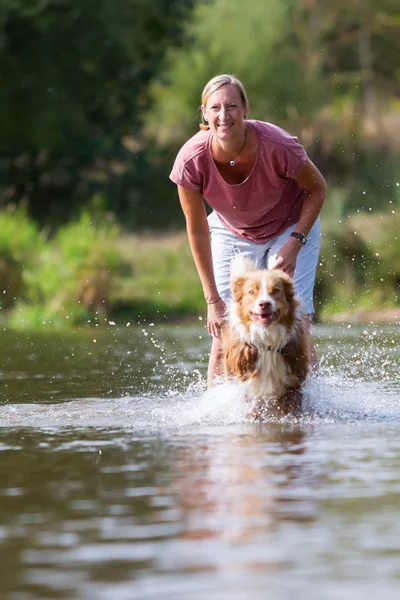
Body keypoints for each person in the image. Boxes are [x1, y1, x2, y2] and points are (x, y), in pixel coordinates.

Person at [170, 74, 326, 385]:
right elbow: (198, 230)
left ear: (245, 109)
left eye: (231, 106)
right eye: (215, 108)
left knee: (297, 323)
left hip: (290, 227)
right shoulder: (191, 160)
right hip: (231, 231)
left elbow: (318, 189)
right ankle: (217, 411)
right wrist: (212, 299)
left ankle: (310, 403)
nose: (223, 116)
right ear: (203, 112)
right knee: (224, 330)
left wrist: (295, 243)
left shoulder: (279, 146)